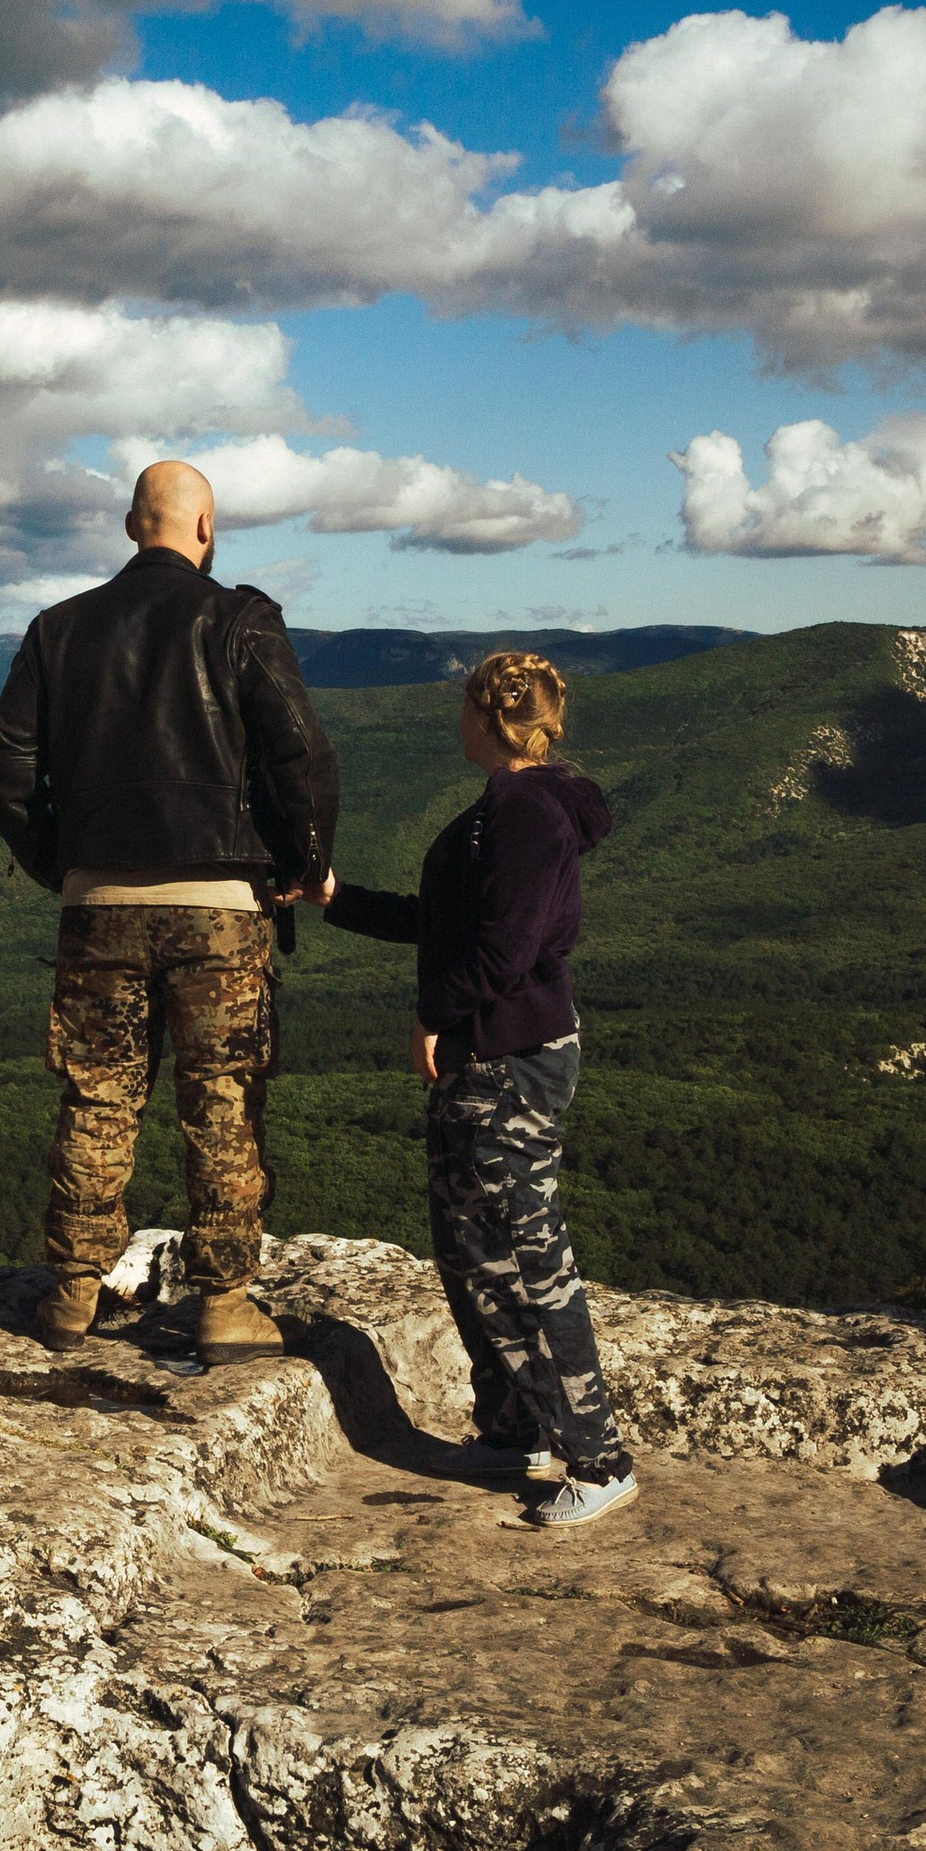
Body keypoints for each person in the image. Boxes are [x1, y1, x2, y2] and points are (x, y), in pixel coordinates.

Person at [0, 459, 339, 1366]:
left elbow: (10, 764)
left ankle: (71, 1291)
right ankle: (223, 1302)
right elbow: (300, 751)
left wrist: (62, 865)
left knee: (98, 1093)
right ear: (205, 528)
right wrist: (302, 864)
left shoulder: (57, 630)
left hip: (96, 900)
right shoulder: (239, 619)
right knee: (222, 1096)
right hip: (220, 901)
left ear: (130, 526)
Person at [301, 649, 635, 1528]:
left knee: (528, 1256)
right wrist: (335, 899)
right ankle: (514, 1425)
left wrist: (433, 1020)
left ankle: (596, 1458)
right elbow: (444, 922)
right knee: (467, 1246)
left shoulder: (525, 813)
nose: (454, 721)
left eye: (463, 708)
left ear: (487, 718)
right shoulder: (509, 808)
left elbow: (505, 952)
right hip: (492, 1053)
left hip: (508, 1057)